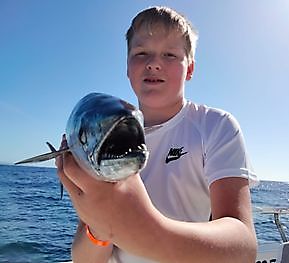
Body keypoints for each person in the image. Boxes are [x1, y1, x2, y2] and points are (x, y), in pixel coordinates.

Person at [56, 6, 258, 263]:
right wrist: (100, 226)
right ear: (128, 68)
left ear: (190, 69)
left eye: (170, 55)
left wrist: (149, 231)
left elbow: (243, 247)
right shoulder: (106, 137)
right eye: (141, 53)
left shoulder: (215, 126)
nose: (153, 63)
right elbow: (85, 259)